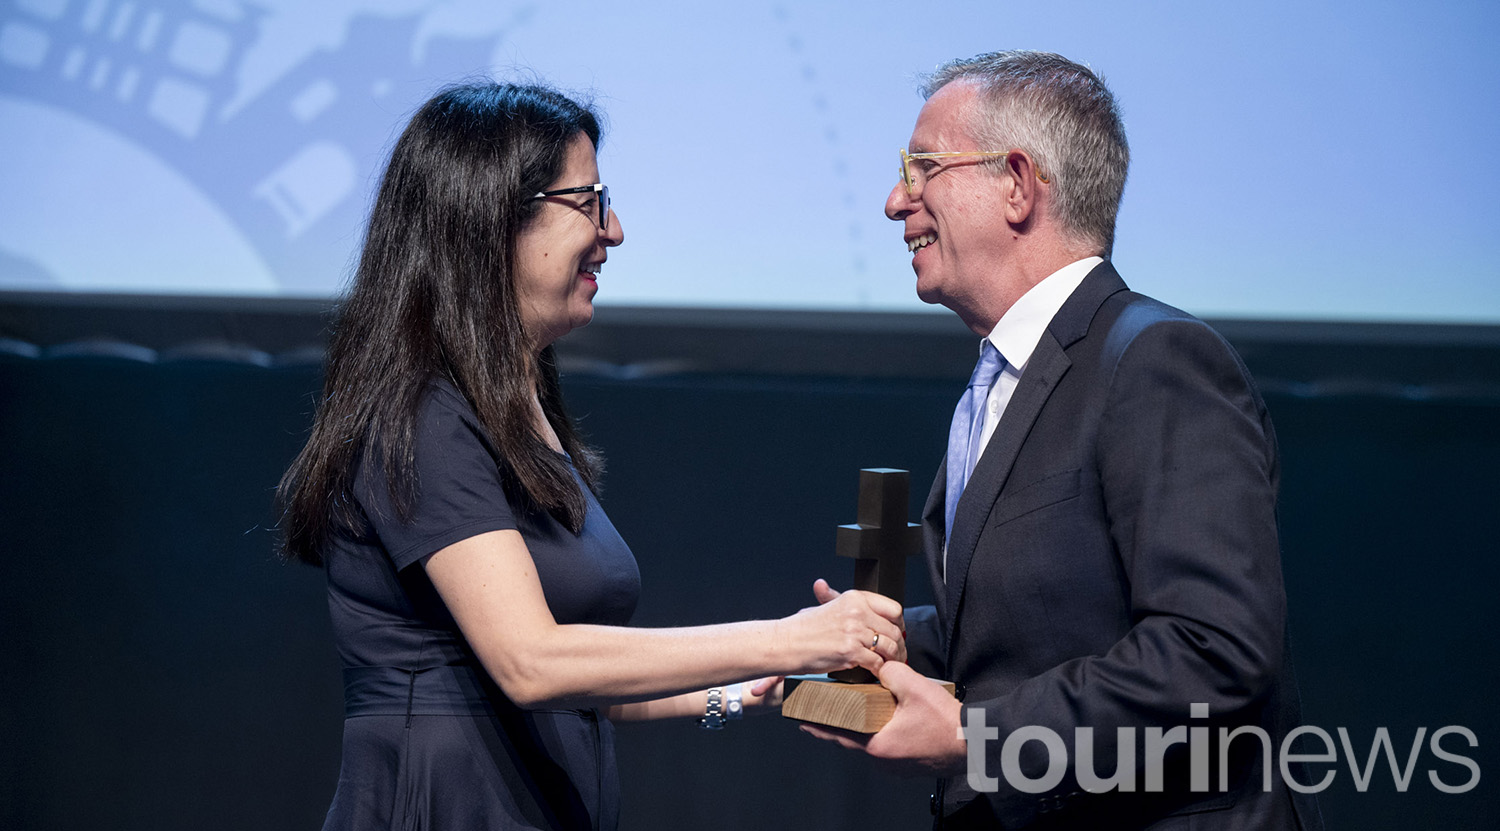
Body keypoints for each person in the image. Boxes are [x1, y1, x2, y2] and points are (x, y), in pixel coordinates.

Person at [276, 82, 906, 831]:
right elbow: (530, 663)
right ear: (491, 217)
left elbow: (576, 678)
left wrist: (739, 684)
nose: (615, 229)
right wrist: (791, 634)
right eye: (589, 200)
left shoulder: (516, 403)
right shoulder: (425, 413)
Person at [801, 52, 1322, 829]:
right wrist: (886, 643)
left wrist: (983, 740)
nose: (892, 201)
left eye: (921, 169)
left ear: (1017, 183)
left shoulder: (1157, 361)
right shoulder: (1004, 376)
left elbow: (1214, 646)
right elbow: (1039, 620)